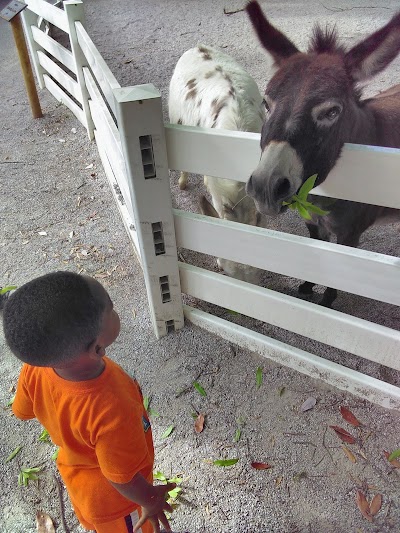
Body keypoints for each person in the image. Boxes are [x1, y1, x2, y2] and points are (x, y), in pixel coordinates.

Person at [3, 271, 174, 533]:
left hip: (79, 484)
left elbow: (22, 411)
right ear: (97, 348)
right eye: (112, 307)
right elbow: (122, 478)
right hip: (119, 506)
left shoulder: (35, 368)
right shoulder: (113, 406)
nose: (115, 310)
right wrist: (150, 500)